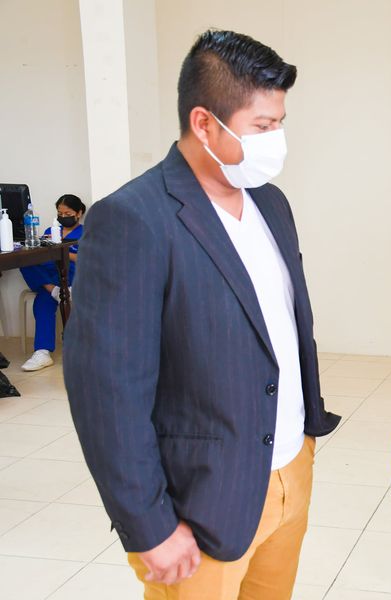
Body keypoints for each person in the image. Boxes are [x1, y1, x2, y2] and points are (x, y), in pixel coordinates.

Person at [64, 30, 340, 599]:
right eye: (262, 126)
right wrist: (149, 526)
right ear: (204, 123)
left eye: (280, 122)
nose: (277, 140)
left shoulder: (270, 202)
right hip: (201, 503)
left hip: (290, 470)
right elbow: (108, 393)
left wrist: (303, 447)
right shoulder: (133, 219)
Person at [19, 193, 85, 371]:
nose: (63, 217)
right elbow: (40, 253)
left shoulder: (87, 232)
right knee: (24, 261)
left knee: (43, 300)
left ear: (79, 213)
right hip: (49, 275)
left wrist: (61, 251)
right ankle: (54, 291)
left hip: (69, 274)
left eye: (68, 213)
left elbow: (89, 259)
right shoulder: (51, 230)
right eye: (60, 214)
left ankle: (42, 351)